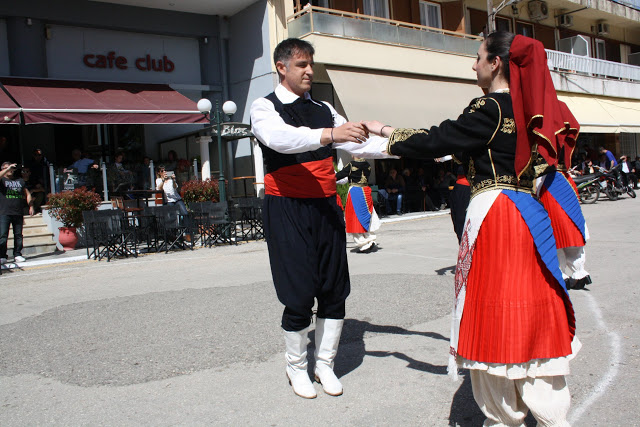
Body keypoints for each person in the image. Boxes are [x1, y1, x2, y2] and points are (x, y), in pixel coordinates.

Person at [364, 33, 579, 426]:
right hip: (529, 213)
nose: (474, 65)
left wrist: (384, 131)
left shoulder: (490, 106)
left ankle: (503, 415)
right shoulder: (531, 108)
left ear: (496, 63)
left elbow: (439, 138)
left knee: (493, 308)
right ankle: (549, 411)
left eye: (478, 57)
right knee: (534, 303)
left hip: (496, 213)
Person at [250, 38, 392, 399]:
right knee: (297, 292)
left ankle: (324, 364)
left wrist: (411, 145)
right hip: (287, 208)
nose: (309, 70)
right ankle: (296, 367)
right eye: (301, 64)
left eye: (311, 64)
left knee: (334, 289)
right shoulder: (264, 107)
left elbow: (358, 144)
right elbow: (280, 139)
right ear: (282, 67)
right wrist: (330, 134)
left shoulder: (325, 108)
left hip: (325, 205)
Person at [536, 102, 592, 291]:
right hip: (564, 179)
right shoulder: (558, 109)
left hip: (548, 181)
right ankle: (578, 271)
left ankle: (562, 273)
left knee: (555, 228)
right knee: (570, 226)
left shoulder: (543, 114)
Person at [335, 157, 380, 252]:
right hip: (366, 190)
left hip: (355, 192)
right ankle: (370, 238)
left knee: (353, 217)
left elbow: (338, 176)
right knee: (367, 215)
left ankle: (362, 243)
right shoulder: (367, 164)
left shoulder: (351, 165)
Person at [0, 162, 34, 264]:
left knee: (18, 234)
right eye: (7, 168)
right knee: (3, 235)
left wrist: (31, 206)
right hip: (4, 212)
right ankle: (2, 256)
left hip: (18, 212)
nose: (10, 170)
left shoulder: (20, 181)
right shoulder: (2, 180)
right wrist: (6, 169)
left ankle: (17, 254)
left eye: (11, 168)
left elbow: (27, 193)